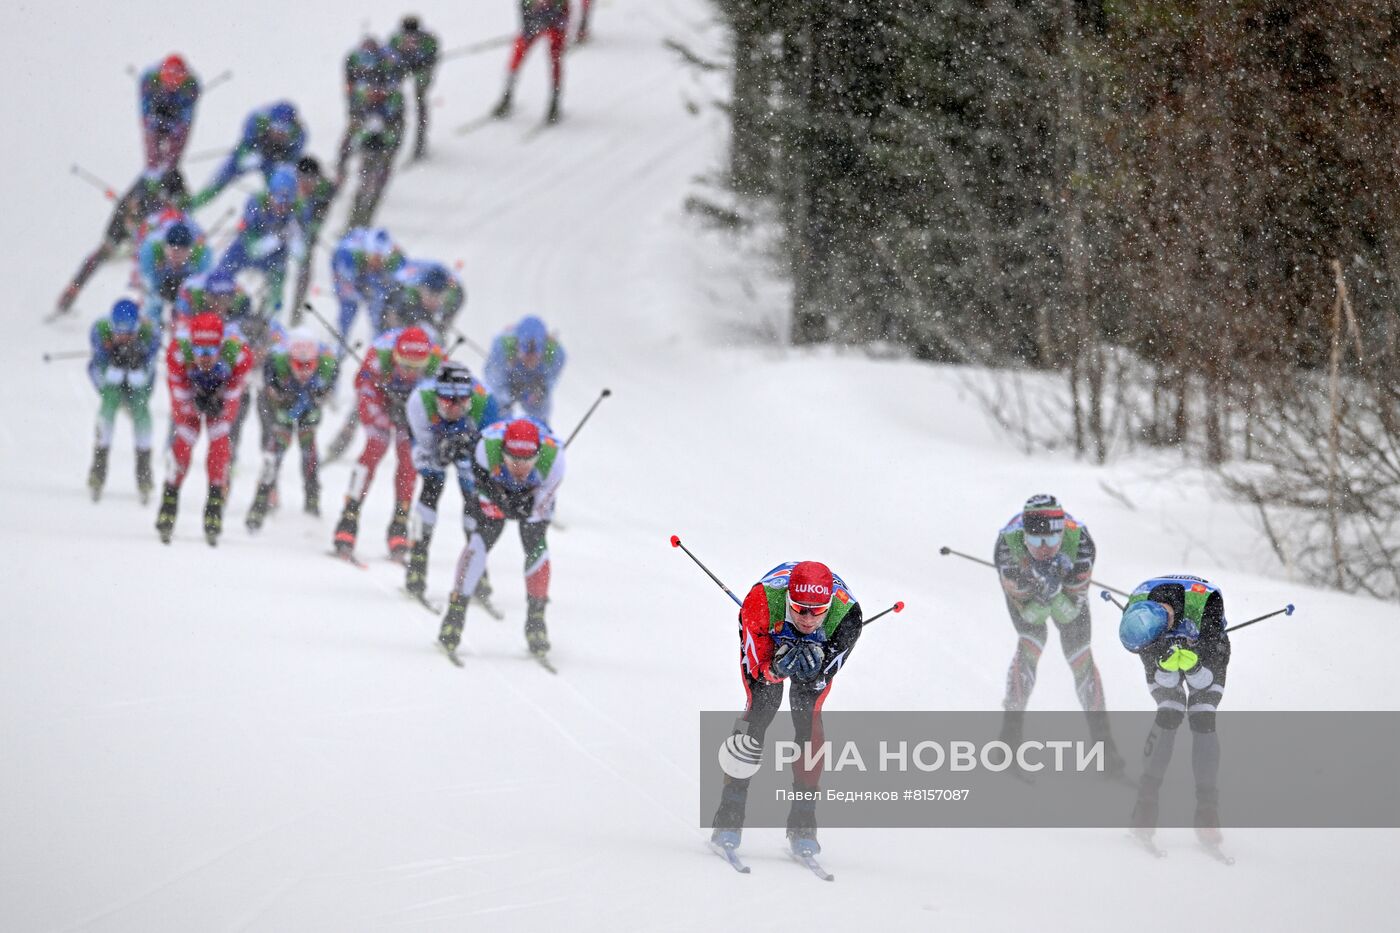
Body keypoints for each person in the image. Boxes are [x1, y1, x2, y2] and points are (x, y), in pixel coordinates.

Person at [710, 561, 864, 859]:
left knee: (808, 717)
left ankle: (803, 821)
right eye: (800, 608)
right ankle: (729, 812)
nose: (808, 619)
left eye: (817, 611)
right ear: (788, 600)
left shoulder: (847, 618)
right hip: (770, 640)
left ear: (829, 605)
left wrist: (816, 671)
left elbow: (825, 674)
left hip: (818, 649)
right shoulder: (761, 603)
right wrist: (775, 668)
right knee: (760, 710)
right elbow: (757, 670)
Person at [992, 494, 1123, 775]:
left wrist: (1053, 588)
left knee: (1080, 656)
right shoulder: (1008, 547)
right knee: (1031, 643)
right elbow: (1029, 616)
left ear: (1063, 533)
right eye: (1035, 540)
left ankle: (1106, 750)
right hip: (1029, 600)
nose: (1044, 549)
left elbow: (1071, 613)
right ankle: (1009, 741)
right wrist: (1041, 591)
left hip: (1067, 599)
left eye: (1052, 540)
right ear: (1023, 535)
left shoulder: (1081, 544)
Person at [1119, 575, 1232, 848]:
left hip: (1208, 647)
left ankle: (1207, 810)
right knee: (1169, 710)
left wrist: (1193, 666)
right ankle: (1145, 804)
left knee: (1202, 715)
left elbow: (1204, 680)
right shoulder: (1138, 616)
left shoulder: (1208, 604)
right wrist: (1164, 664)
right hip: (1166, 648)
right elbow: (1161, 680)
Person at [436, 418, 564, 659]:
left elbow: (540, 508)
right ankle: (455, 613)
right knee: (483, 536)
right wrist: (501, 498)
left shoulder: (555, 460)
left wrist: (526, 506)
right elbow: (482, 485)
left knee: (534, 539)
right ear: (503, 451)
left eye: (528, 461)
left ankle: (536, 619)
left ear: (538, 455)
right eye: (513, 460)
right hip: (495, 486)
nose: (520, 467)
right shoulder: (485, 449)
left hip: (535, 493)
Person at [332, 326, 443, 559]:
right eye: (404, 366)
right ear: (394, 357)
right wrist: (383, 416)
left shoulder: (438, 363)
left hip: (411, 409)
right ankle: (349, 516)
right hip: (381, 403)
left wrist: (416, 417)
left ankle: (399, 522)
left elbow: (440, 403)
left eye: (417, 368)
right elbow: (362, 390)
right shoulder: (378, 357)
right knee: (374, 450)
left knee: (408, 459)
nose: (410, 373)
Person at [157, 312, 254, 545]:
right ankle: (169, 498)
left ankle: (214, 502)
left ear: (221, 345)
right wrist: (192, 406)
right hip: (191, 396)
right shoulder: (178, 350)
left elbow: (234, 397)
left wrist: (220, 406)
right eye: (199, 351)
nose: (205, 357)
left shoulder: (238, 353)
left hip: (219, 400)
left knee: (220, 443)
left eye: (211, 351)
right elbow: (177, 397)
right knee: (184, 442)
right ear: (192, 344)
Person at [404, 363, 499, 597]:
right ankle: (417, 561)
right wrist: (442, 450)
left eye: (463, 403)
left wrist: (468, 449)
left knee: (474, 502)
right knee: (431, 487)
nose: (456, 409)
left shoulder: (486, 403)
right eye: (448, 403)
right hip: (432, 441)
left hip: (472, 446)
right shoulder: (419, 402)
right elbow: (424, 450)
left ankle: (477, 568)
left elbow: (490, 452)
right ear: (437, 397)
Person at [55, 169, 188, 317]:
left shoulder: (159, 205)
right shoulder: (120, 222)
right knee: (106, 252)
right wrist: (75, 287)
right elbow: (103, 252)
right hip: (142, 210)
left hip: (161, 208)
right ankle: (72, 290)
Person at [247, 328, 338, 529]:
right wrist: (281, 396)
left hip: (309, 406)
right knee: (275, 449)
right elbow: (269, 389)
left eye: (308, 366)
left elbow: (330, 387)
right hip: (283, 406)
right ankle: (261, 499)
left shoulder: (327, 362)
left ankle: (312, 499)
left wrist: (320, 395)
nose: (304, 371)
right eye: (299, 365)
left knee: (308, 448)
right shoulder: (276, 360)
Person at [86, 299, 161, 502]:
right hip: (107, 373)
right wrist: (115, 362)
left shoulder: (151, 334)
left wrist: (137, 364)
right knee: (109, 400)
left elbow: (146, 377)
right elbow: (98, 371)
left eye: (128, 333)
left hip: (140, 376)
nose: (122, 337)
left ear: (138, 327)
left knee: (140, 407)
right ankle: (98, 466)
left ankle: (144, 469)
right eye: (118, 332)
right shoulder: (100, 330)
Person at [214, 165, 304, 316]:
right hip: (242, 251)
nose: (281, 206)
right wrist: (278, 238)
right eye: (277, 198)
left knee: (277, 291)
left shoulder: (299, 212)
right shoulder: (255, 203)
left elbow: (301, 256)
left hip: (275, 259)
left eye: (286, 202)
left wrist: (296, 238)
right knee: (219, 277)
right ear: (269, 194)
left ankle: (271, 321)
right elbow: (252, 249)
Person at [190, 102, 306, 208]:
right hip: (253, 153)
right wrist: (253, 155)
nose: (279, 132)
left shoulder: (299, 135)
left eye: (285, 129)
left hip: (273, 164)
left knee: (281, 189)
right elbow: (245, 149)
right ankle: (190, 208)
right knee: (217, 182)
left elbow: (290, 163)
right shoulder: (256, 120)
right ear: (269, 122)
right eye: (276, 127)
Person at [492, 0, 570, 124]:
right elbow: (524, 12)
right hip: (535, 20)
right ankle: (507, 95)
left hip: (556, 19)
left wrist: (549, 21)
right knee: (518, 53)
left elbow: (561, 12)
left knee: (555, 57)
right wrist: (529, 28)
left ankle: (554, 101)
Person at [331, 227, 406, 348]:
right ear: (367, 252)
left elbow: (403, 277)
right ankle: (339, 349)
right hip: (350, 275)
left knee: (378, 309)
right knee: (348, 310)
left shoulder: (395, 255)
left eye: (382, 260)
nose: (378, 263)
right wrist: (361, 293)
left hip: (372, 278)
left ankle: (378, 346)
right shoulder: (347, 254)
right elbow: (345, 287)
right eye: (375, 258)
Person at [484, 315, 565, 426]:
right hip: (508, 379)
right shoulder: (502, 347)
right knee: (498, 408)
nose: (530, 361)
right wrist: (508, 394)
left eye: (535, 356)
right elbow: (493, 381)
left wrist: (541, 390)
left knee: (540, 410)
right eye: (526, 355)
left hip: (535, 382)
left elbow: (551, 381)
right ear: (517, 346)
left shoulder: (555, 354)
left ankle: (540, 430)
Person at [288, 156, 339, 319]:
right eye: (302, 179)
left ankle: (297, 310)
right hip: (286, 225)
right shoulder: (288, 184)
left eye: (311, 179)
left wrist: (312, 230)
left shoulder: (325, 189)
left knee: (305, 265)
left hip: (307, 227)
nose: (306, 183)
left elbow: (321, 215)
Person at [138, 217, 211, 324]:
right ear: (164, 247)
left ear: (191, 250)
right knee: (153, 305)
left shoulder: (202, 256)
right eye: (173, 248)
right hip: (160, 279)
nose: (177, 254)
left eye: (183, 249)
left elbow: (202, 287)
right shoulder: (150, 251)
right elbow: (149, 285)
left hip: (187, 279)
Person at [387, 15, 440, 159]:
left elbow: (433, 54)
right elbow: (390, 57)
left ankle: (418, 140)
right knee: (409, 100)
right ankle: (411, 138)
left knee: (418, 99)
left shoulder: (399, 38)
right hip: (409, 69)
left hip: (418, 70)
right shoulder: (425, 38)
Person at [138, 54, 200, 171]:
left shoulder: (191, 85)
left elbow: (187, 118)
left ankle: (169, 171)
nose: (172, 86)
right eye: (169, 81)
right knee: (152, 150)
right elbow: (144, 113)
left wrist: (175, 127)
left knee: (175, 148)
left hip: (177, 115)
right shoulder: (149, 78)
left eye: (176, 82)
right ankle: (152, 174)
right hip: (155, 113)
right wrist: (154, 122)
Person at [384, 260, 465, 333]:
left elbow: (443, 328)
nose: (433, 301)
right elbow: (391, 319)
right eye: (429, 296)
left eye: (438, 298)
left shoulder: (455, 297)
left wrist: (442, 324)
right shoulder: (406, 294)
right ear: (420, 290)